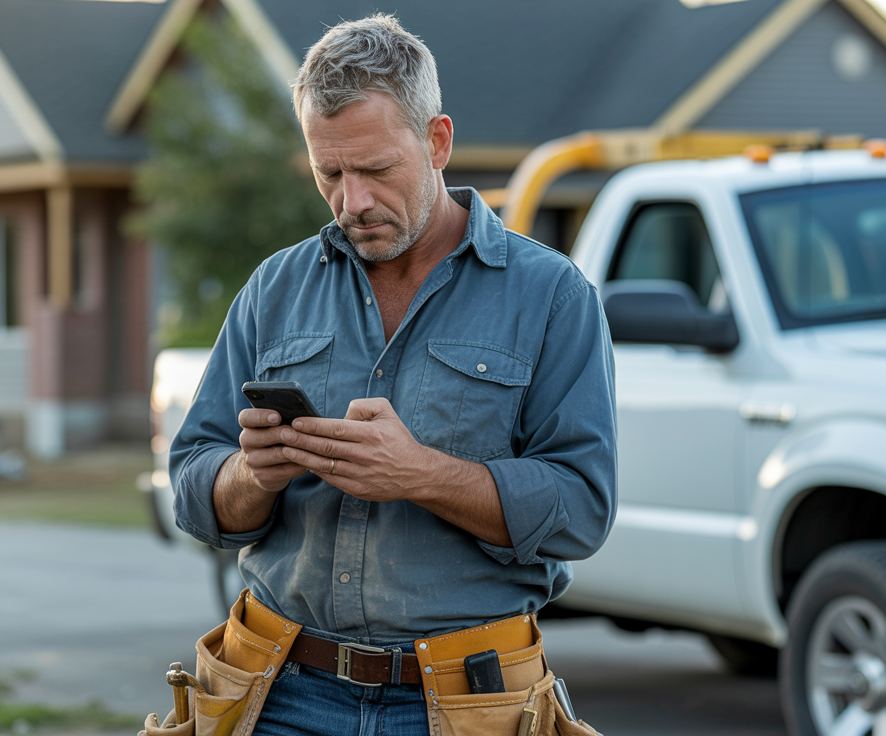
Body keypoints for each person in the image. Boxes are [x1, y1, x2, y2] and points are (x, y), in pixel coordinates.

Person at [170, 14, 616, 735]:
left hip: (472, 701)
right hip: (277, 692)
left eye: (376, 170)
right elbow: (194, 491)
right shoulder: (273, 289)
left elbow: (583, 507)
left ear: (438, 141)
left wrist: (420, 474)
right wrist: (253, 478)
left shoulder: (552, 295)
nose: (353, 203)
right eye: (330, 173)